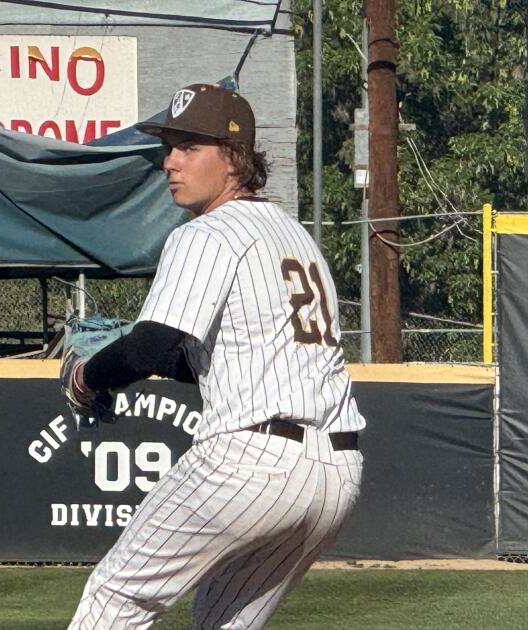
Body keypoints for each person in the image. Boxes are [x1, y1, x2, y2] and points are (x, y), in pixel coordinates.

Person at [63, 83, 365, 629]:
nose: (170, 161)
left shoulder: (207, 232)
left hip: (251, 463)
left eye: (188, 147)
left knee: (117, 597)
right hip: (338, 471)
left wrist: (88, 376)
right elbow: (199, 359)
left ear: (235, 159)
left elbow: (151, 345)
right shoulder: (296, 237)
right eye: (169, 146)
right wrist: (135, 358)